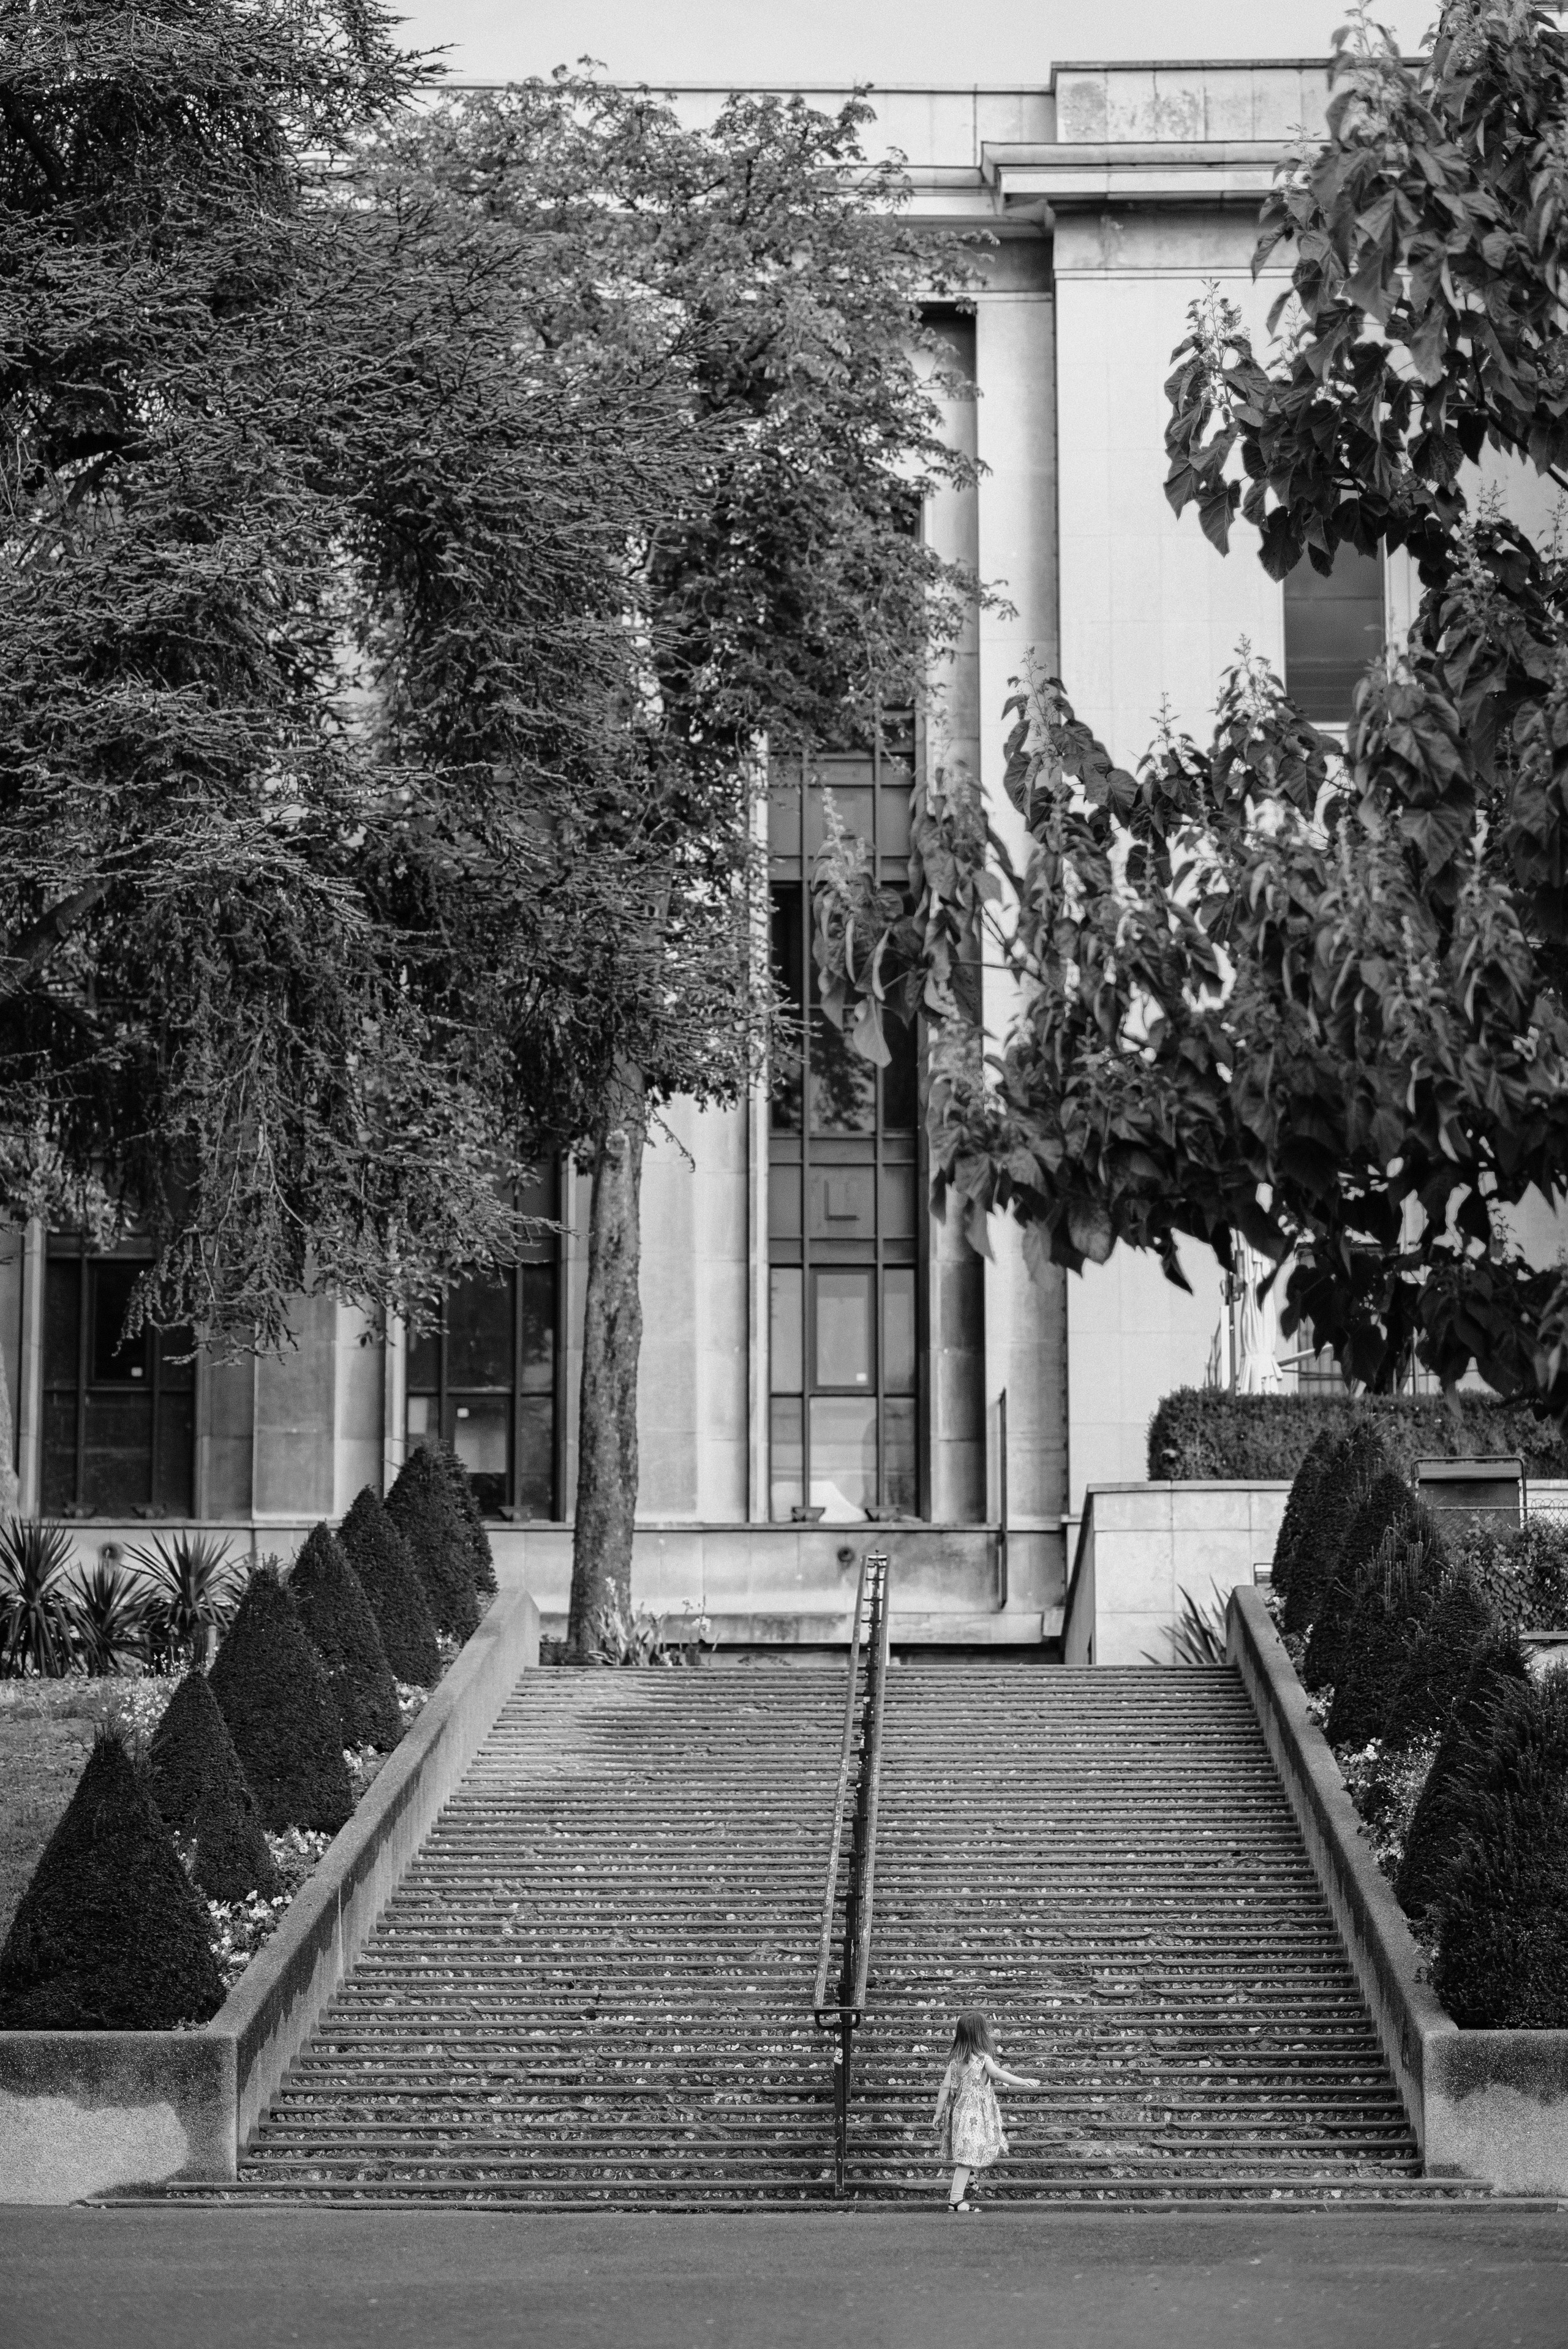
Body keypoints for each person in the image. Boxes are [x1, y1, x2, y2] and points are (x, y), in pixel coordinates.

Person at [933, 2009, 1040, 2213]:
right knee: (968, 2155)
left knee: (973, 2148)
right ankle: (955, 2201)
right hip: (976, 2115)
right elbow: (998, 2074)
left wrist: (938, 2113)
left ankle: (971, 2174)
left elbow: (945, 2087)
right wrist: (1021, 2081)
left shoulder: (955, 2062)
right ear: (982, 2033)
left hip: (960, 2115)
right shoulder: (983, 2059)